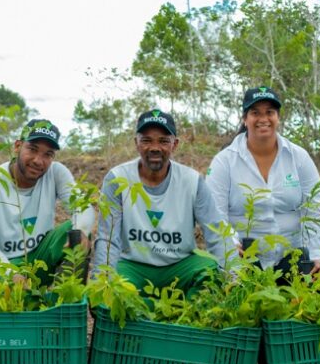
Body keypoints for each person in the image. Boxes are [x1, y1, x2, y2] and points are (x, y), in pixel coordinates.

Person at [91, 109, 227, 294]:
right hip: (134, 266)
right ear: (136, 143)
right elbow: (108, 239)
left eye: (163, 141)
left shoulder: (192, 181)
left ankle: (188, 319)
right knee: (114, 284)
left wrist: (234, 279)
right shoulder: (118, 178)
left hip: (179, 265)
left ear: (175, 144)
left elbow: (217, 234)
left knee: (210, 272)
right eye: (146, 140)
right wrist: (100, 283)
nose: (155, 147)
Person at [206, 87, 320, 273]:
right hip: (243, 260)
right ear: (245, 119)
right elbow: (214, 215)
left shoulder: (299, 157)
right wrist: (230, 247)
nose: (263, 119)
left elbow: (316, 210)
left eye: (270, 112)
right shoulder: (224, 162)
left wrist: (318, 258)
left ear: (278, 117)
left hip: (295, 258)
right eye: (255, 113)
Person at [0, 119, 95, 279]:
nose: (38, 160)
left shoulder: (56, 173)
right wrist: (11, 274)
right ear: (17, 146)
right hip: (4, 262)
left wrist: (82, 230)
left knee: (78, 233)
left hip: (41, 258)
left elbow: (82, 207)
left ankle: (69, 300)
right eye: (32, 149)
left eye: (48, 154)